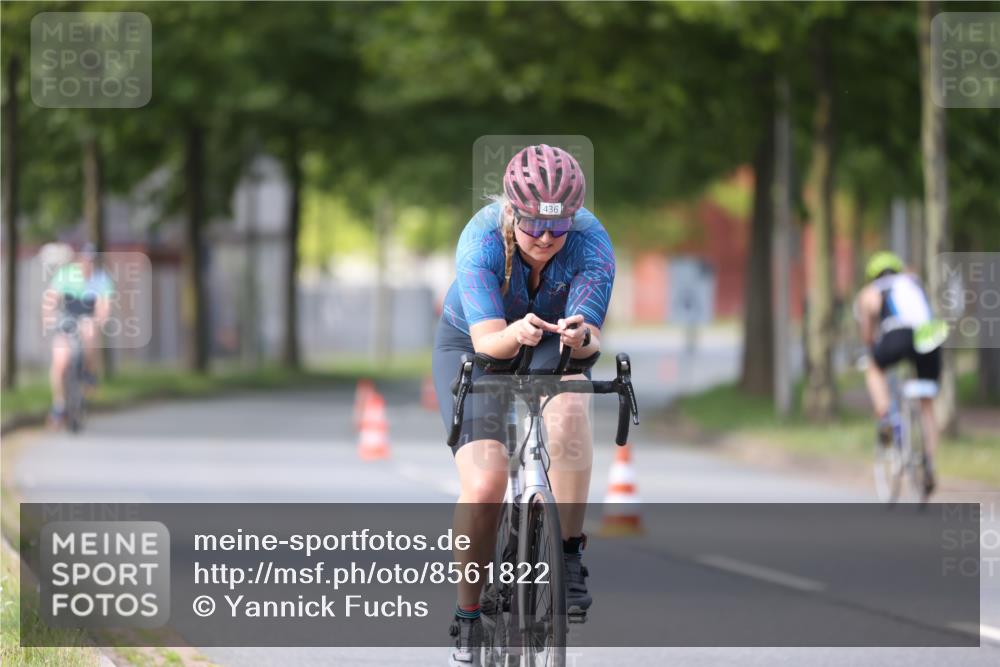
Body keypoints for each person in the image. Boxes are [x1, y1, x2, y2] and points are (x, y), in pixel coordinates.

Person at [431, 144, 614, 666]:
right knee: (486, 483)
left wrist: (580, 339)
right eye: (535, 225)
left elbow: (592, 341)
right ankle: (468, 617)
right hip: (476, 344)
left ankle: (570, 554)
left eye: (560, 228)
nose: (548, 239)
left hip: (551, 338)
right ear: (513, 210)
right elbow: (489, 343)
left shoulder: (591, 242)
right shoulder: (481, 241)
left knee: (574, 406)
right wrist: (514, 332)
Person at [855, 251, 947, 496]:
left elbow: (867, 335)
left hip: (898, 335)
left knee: (873, 367)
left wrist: (872, 343)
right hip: (930, 335)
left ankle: (886, 417)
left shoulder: (872, 290)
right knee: (926, 403)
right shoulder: (913, 281)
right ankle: (929, 464)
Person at [42, 243, 115, 427]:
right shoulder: (66, 275)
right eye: (85, 259)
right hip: (66, 318)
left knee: (90, 333)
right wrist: (48, 316)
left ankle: (89, 371)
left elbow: (103, 305)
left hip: (87, 318)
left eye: (91, 260)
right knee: (60, 363)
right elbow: (51, 297)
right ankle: (59, 405)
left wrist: (99, 320)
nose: (87, 264)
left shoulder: (101, 279)